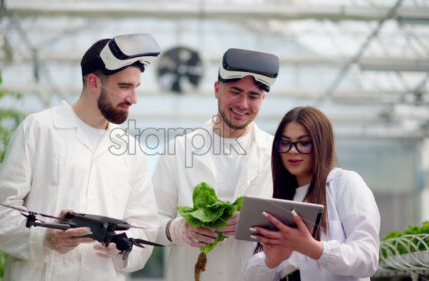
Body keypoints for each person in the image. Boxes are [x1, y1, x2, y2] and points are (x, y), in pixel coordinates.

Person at [0, 33, 161, 281]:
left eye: (135, 87)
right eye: (124, 86)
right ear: (93, 82)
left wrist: (122, 245)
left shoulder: (131, 151)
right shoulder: (39, 129)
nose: (133, 98)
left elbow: (145, 227)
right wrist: (45, 239)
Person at [153, 48, 280, 281]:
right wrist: (177, 230)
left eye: (253, 96)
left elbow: (293, 227)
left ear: (263, 100)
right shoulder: (178, 150)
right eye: (235, 92)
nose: (243, 104)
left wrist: (252, 224)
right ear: (216, 90)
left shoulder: (275, 155)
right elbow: (149, 223)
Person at [244, 106, 381, 281]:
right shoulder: (282, 198)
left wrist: (313, 248)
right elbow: (252, 276)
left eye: (303, 143)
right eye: (285, 143)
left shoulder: (344, 183)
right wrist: (272, 260)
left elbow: (367, 258)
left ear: (321, 144)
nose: (293, 150)